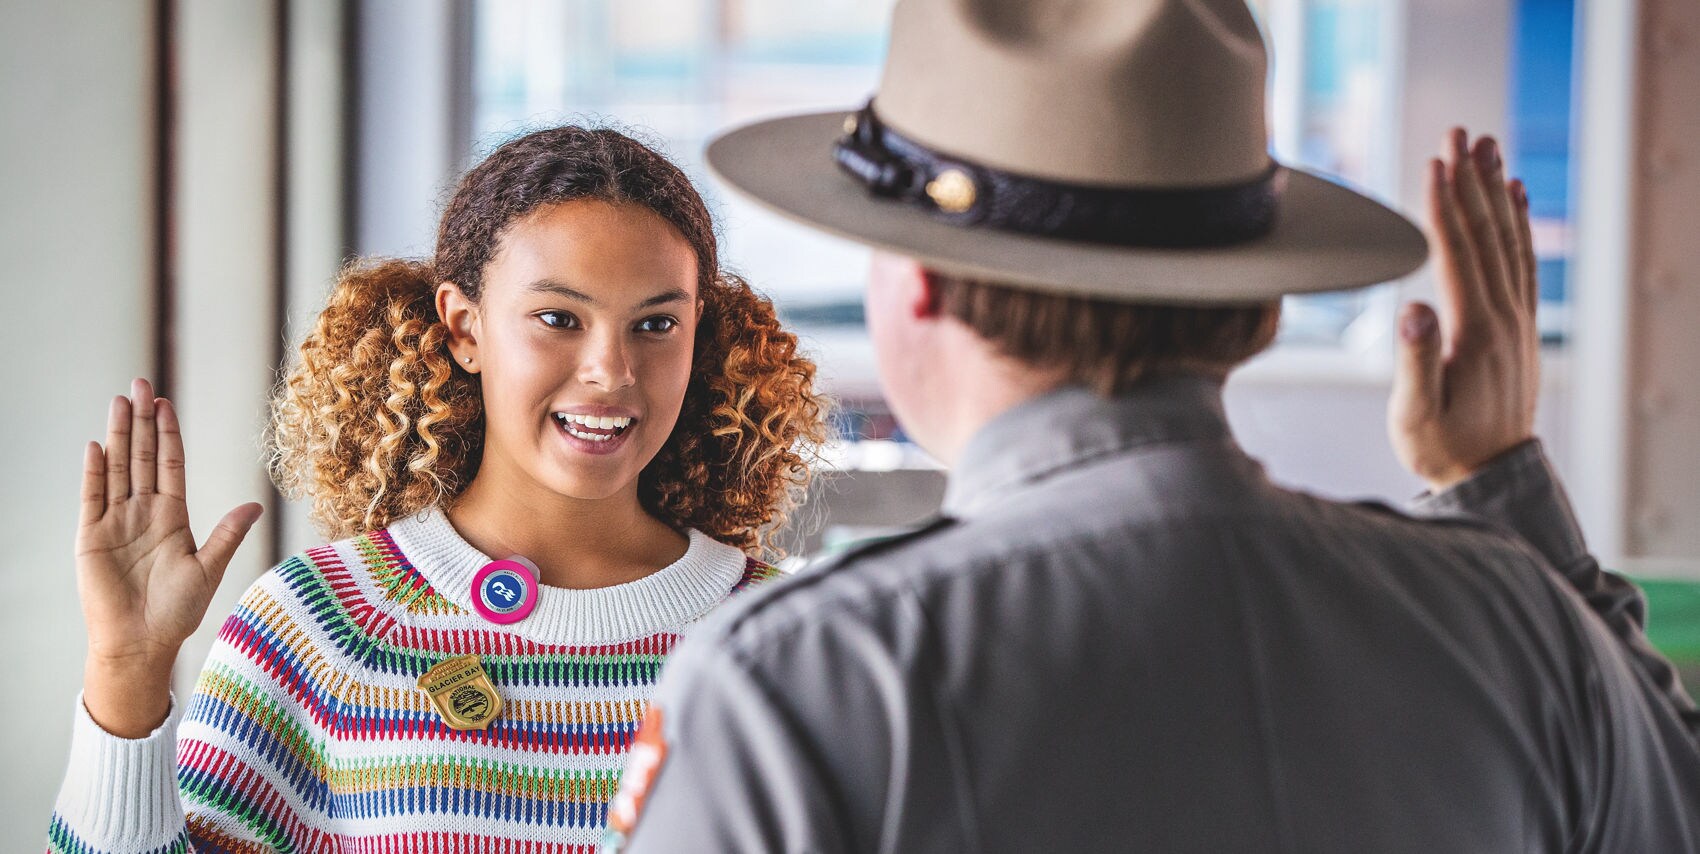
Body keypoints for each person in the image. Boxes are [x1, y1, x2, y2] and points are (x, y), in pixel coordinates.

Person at [604, 0, 1700, 851]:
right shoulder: (1517, 625)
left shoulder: (795, 684)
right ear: (1256, 304)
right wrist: (1499, 480)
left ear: (921, 286)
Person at [48, 125, 826, 851]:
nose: (611, 372)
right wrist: (127, 670)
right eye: (558, 318)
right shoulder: (323, 626)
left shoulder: (794, 645)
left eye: (656, 325)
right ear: (463, 328)